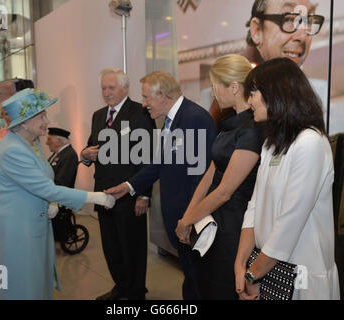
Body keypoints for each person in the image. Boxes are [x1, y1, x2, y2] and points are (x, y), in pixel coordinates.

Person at [0, 88, 115, 300]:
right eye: (41, 116)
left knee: (37, 282)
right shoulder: (13, 149)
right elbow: (46, 188)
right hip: (18, 232)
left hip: (33, 226)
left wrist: (50, 202)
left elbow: (42, 182)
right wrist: (95, 197)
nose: (46, 121)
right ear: (24, 121)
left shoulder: (29, 144)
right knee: (20, 285)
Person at [234, 57, 340, 300]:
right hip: (267, 271)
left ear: (276, 92)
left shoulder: (309, 143)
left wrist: (252, 276)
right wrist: (240, 266)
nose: (249, 101)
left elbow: (288, 225)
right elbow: (254, 206)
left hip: (301, 278)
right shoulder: (271, 144)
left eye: (253, 92)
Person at [105, 71, 216, 300]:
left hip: (190, 220)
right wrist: (128, 186)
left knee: (200, 284)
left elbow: (201, 178)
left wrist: (188, 219)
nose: (143, 104)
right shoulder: (170, 120)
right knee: (191, 279)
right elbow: (160, 164)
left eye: (146, 98)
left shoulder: (194, 118)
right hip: (180, 219)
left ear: (163, 95)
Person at [175, 54, 263, 300]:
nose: (213, 94)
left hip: (233, 226)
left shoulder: (252, 131)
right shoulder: (229, 124)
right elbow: (210, 173)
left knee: (222, 288)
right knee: (205, 285)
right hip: (212, 220)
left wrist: (189, 219)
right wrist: (188, 216)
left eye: (215, 87)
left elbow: (225, 190)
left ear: (234, 87)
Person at [80, 68, 156, 300]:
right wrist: (84, 154)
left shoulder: (140, 113)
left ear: (125, 88)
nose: (106, 92)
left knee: (132, 247)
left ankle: (135, 293)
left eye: (111, 88)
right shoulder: (98, 115)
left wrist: (144, 195)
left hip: (130, 194)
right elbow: (91, 148)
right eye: (103, 88)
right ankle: (121, 287)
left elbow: (150, 157)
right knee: (111, 247)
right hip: (103, 193)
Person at [209, 0, 326, 123]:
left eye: (308, 21)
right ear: (257, 30)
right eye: (289, 20)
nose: (302, 36)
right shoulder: (238, 83)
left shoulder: (311, 92)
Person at [46, 127, 79, 248]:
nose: (46, 142)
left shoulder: (69, 155)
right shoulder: (58, 154)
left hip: (61, 195)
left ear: (59, 141)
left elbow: (62, 181)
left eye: (49, 139)